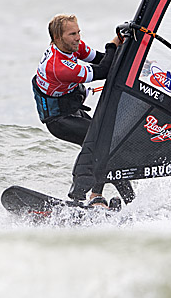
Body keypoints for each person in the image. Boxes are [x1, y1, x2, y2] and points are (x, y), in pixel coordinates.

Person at [32, 14, 122, 206]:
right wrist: (114, 43)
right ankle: (77, 197)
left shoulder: (74, 46)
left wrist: (123, 47)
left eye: (78, 32)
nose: (78, 37)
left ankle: (97, 196)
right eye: (72, 34)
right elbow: (103, 70)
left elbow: (101, 59)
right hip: (59, 120)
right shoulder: (58, 66)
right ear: (58, 39)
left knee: (108, 143)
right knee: (99, 143)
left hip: (73, 110)